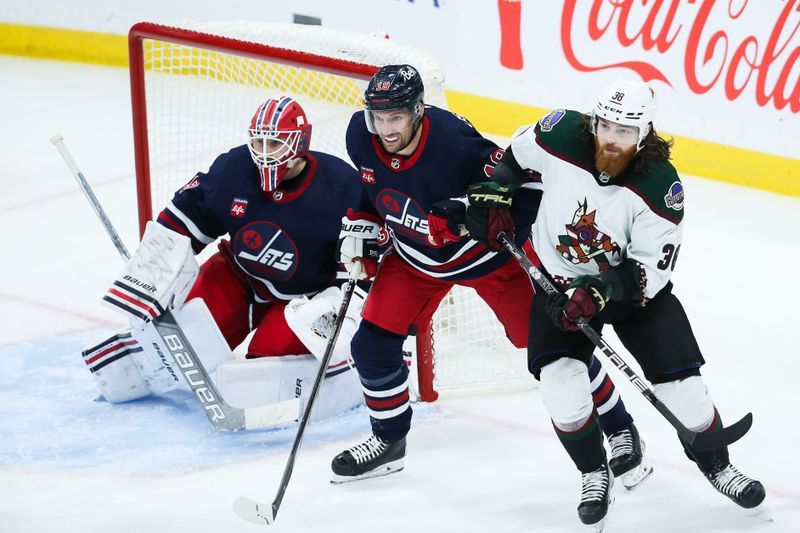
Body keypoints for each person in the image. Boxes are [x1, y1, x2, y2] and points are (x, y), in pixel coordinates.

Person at [329, 64, 650, 488]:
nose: (385, 129)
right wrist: (360, 222)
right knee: (370, 345)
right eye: (379, 117)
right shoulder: (360, 136)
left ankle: (620, 428)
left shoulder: (455, 145)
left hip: (487, 263)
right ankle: (388, 442)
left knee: (557, 347)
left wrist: (467, 215)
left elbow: (523, 196)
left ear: (418, 110)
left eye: (396, 118)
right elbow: (372, 185)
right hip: (415, 261)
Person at [465, 78, 765, 527]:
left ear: (644, 132)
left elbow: (649, 270)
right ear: (594, 121)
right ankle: (593, 472)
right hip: (560, 286)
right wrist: (498, 189)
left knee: (685, 394)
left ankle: (717, 464)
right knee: (561, 386)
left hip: (633, 296)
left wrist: (600, 289)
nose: (612, 138)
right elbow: (517, 156)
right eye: (606, 126)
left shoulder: (661, 186)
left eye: (625, 131)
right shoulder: (561, 133)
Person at [82, 96, 372, 423]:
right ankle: (135, 353)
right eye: (258, 140)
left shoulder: (342, 188)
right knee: (184, 348)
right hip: (239, 278)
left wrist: (339, 306)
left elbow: (362, 265)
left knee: (259, 377)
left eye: (274, 143)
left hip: (302, 298)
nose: (263, 151)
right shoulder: (234, 168)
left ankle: (358, 365)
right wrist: (152, 271)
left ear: (299, 143)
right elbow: (185, 218)